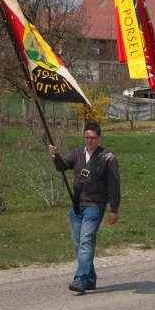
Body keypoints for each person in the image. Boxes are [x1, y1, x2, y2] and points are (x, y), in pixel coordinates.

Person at [49, 122, 120, 294]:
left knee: (86, 241)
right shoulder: (77, 154)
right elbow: (62, 167)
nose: (89, 141)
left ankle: (80, 279)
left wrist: (114, 209)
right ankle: (90, 280)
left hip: (95, 205)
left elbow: (114, 184)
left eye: (93, 138)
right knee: (79, 244)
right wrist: (55, 155)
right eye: (87, 137)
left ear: (99, 138)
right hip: (77, 205)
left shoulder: (107, 157)